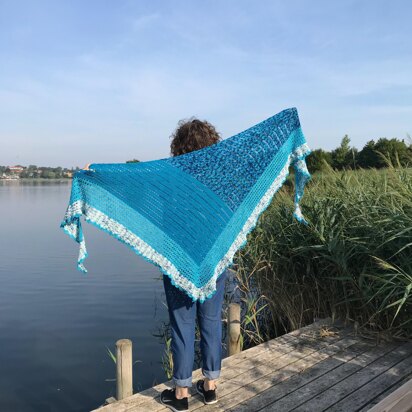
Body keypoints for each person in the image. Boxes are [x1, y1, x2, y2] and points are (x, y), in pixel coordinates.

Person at [83, 118, 228, 412]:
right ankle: (210, 388)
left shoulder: (169, 176)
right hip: (214, 260)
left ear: (179, 146)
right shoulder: (220, 178)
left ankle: (181, 394)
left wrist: (96, 173)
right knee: (211, 322)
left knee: (183, 325)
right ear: (212, 144)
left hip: (179, 263)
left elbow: (133, 179)